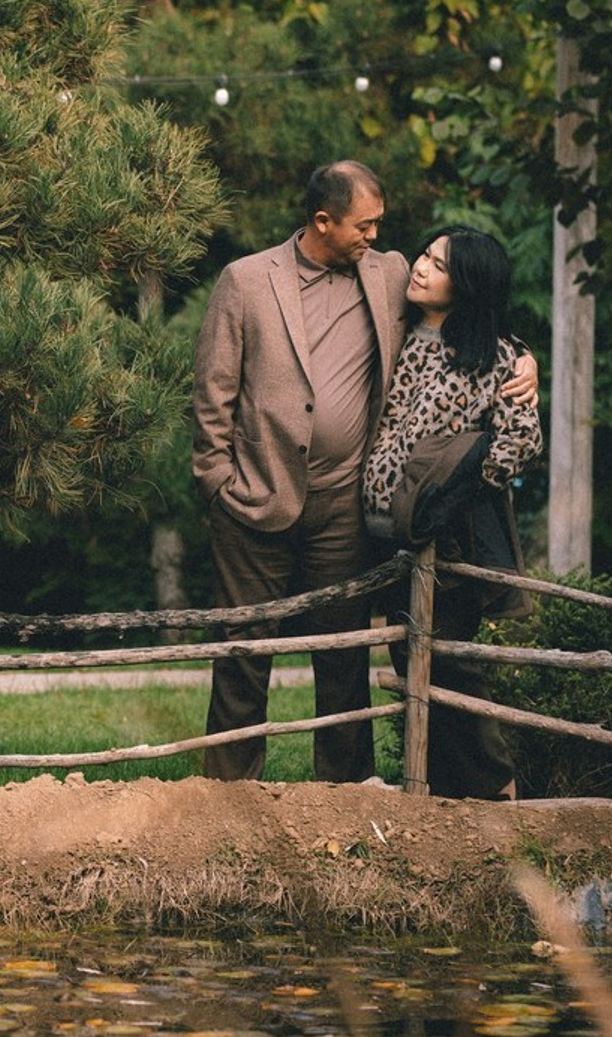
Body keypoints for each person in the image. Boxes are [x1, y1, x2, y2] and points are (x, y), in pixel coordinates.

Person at [191, 160, 538, 783]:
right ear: (322, 221)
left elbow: (471, 307)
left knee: (344, 654)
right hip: (253, 499)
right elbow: (212, 396)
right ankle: (227, 795)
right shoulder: (244, 281)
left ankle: (346, 790)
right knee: (242, 653)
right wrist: (218, 483)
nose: (376, 235)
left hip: (344, 506)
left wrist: (526, 362)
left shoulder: (391, 273)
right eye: (364, 224)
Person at [363, 226, 543, 800]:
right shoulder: (402, 333)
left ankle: (499, 789)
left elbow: (521, 439)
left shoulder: (498, 357)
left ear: (466, 284)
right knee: (411, 661)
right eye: (424, 255)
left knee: (450, 665)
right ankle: (440, 795)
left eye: (438, 264)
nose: (420, 267)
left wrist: (460, 493)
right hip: (390, 536)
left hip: (449, 539)